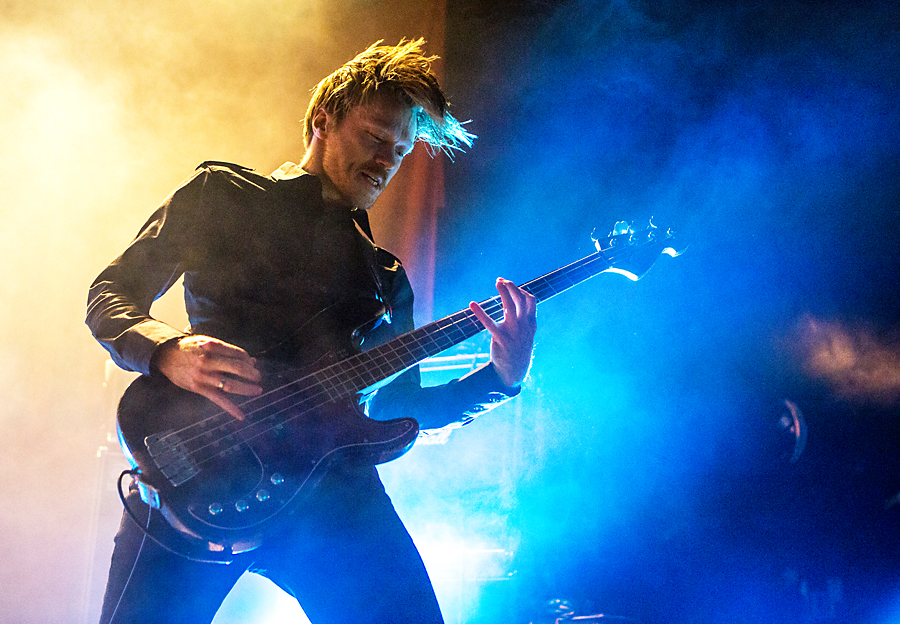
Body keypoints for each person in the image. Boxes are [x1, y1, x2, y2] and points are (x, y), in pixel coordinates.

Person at [86, 39, 536, 624]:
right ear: (323, 121)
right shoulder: (223, 196)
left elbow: (399, 407)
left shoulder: (386, 277)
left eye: (400, 151)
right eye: (375, 137)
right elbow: (111, 294)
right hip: (205, 462)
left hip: (332, 494)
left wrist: (501, 379)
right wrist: (169, 349)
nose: (386, 161)